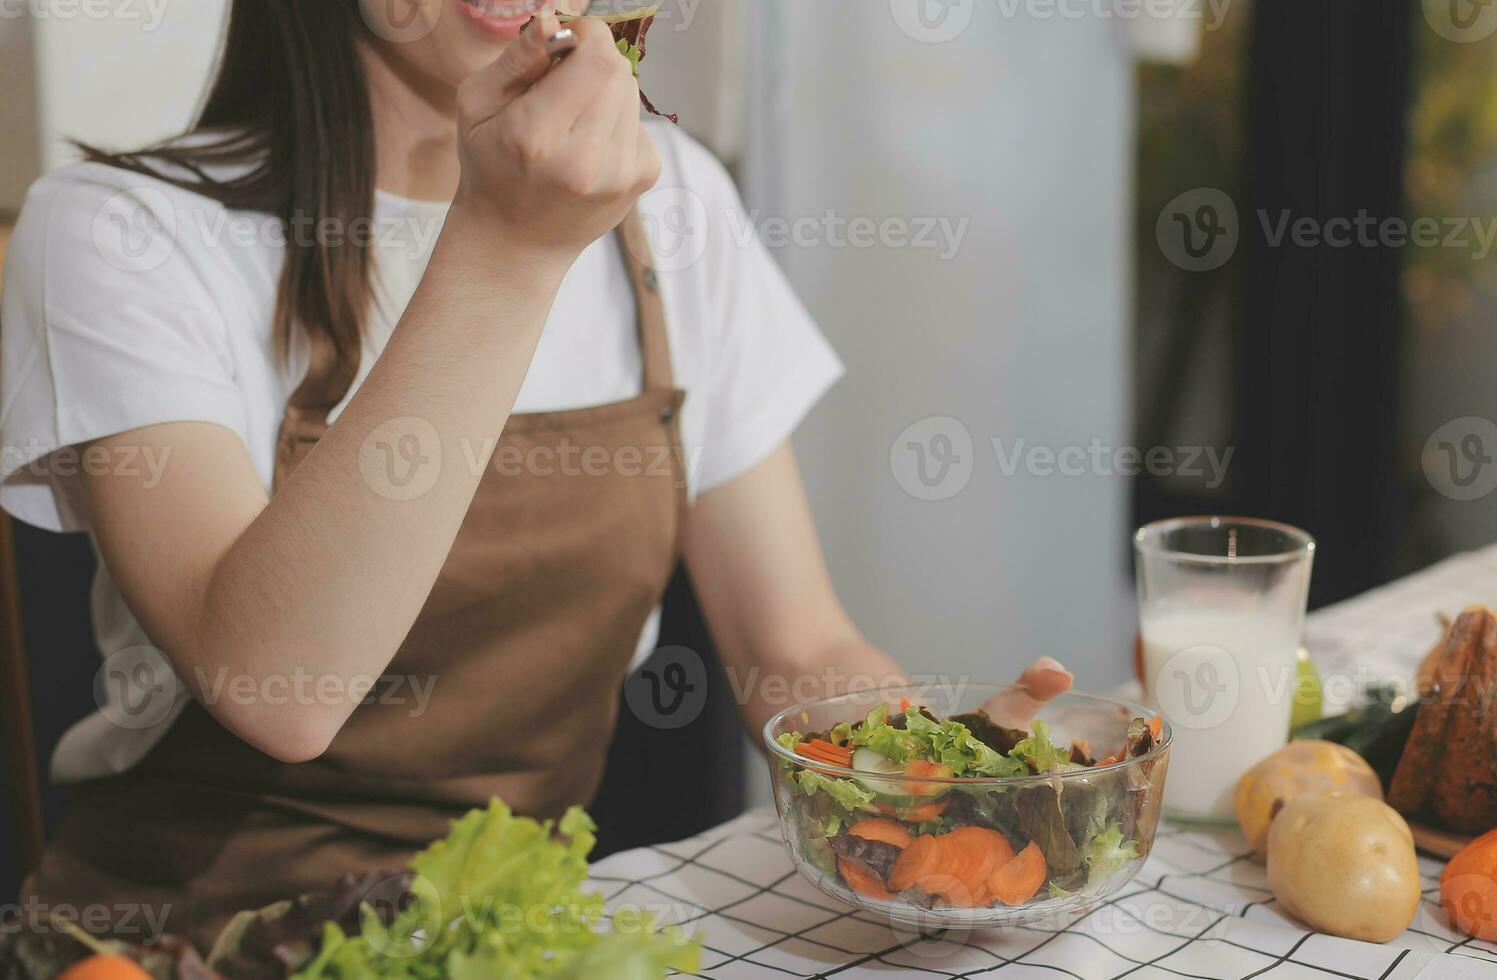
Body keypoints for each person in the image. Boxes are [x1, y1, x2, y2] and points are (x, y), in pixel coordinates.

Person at [0, 0, 1072, 946]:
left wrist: (927, 767)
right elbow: (280, 686)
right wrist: (509, 243)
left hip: (509, 938)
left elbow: (792, 642)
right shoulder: (119, 232)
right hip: (177, 946)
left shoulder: (671, 205)